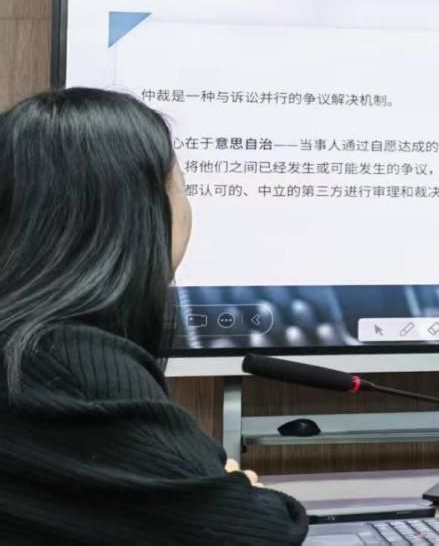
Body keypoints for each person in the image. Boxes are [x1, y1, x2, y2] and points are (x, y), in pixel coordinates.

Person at [0, 88, 308, 544]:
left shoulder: (26, 341)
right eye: (180, 186)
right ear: (140, 213)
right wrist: (235, 487)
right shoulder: (69, 363)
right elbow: (259, 531)